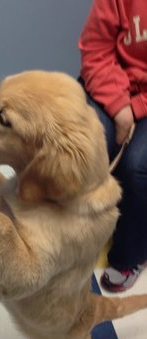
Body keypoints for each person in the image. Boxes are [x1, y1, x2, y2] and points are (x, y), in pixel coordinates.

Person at [79, 0, 147, 292]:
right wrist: (119, 107)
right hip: (111, 84)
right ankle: (73, 237)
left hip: (142, 100)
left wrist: (136, 107)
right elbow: (95, 51)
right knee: (82, 145)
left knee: (136, 168)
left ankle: (129, 255)